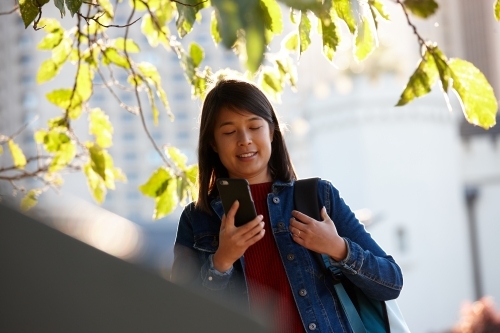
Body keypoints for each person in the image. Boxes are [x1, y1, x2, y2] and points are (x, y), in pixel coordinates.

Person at [171, 79, 403, 333]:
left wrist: (337, 248)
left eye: (254, 126)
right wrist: (221, 262)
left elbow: (391, 282)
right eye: (229, 132)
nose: (244, 140)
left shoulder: (318, 197)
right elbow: (179, 317)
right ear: (213, 143)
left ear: (272, 131)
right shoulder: (197, 219)